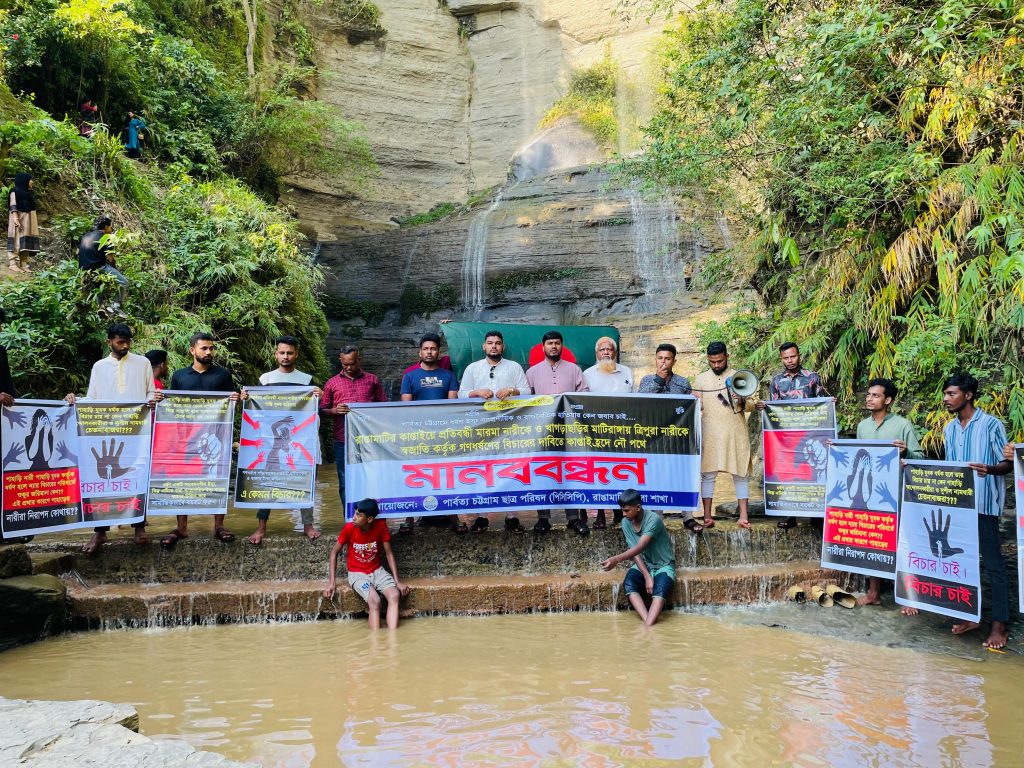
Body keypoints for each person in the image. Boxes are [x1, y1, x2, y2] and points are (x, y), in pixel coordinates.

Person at [65, 323, 158, 554]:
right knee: (101, 480)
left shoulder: (143, 363)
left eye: (127, 341)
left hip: (136, 430)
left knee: (137, 474)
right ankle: (100, 531)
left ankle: (138, 526)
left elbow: (149, 392)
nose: (124, 345)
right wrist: (74, 399)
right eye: (119, 342)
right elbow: (92, 398)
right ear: (109, 342)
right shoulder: (99, 366)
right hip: (103, 432)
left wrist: (152, 399)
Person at [940, 373, 1011, 650]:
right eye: (945, 394)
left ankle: (1000, 625)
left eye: (952, 393)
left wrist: (988, 469)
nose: (946, 399)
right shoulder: (949, 429)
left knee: (994, 565)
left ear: (968, 395)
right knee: (963, 564)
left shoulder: (991, 424)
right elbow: (948, 468)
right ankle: (972, 617)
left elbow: (1006, 464)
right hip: (958, 507)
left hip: (984, 506)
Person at [161, 332, 240, 548]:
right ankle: (182, 527)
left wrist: (235, 399)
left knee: (218, 477)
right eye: (204, 348)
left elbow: (231, 406)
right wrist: (161, 400)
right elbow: (173, 405)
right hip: (186, 437)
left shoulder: (223, 375)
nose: (208, 352)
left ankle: (218, 525)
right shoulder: (179, 376)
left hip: (215, 436)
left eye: (211, 348)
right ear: (192, 350)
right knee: (182, 479)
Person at [854, 378, 924, 607]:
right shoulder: (862, 426)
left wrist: (906, 453)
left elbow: (920, 457)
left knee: (901, 543)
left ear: (888, 400)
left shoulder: (902, 425)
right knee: (872, 541)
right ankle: (874, 592)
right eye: (869, 394)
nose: (869, 398)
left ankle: (908, 597)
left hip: (894, 493)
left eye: (875, 395)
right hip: (869, 492)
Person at [247, 336, 324, 544]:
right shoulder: (265, 379)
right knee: (268, 483)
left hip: (299, 442)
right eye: (282, 353)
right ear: (276, 354)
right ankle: (261, 526)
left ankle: (308, 525)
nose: (286, 357)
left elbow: (314, 410)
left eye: (290, 353)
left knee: (303, 481)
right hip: (273, 442)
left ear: (296, 354)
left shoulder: (307, 380)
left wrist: (319, 395)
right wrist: (247, 398)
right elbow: (258, 412)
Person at [458, 329, 530, 533]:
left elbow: (527, 392)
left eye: (498, 343)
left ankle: (512, 516)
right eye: (490, 343)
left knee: (510, 469)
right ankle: (482, 516)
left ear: (503, 346)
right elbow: (461, 395)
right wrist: (477, 392)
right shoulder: (473, 368)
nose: (494, 346)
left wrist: (512, 390)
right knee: (483, 469)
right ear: (484, 346)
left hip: (510, 427)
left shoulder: (514, 367)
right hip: (482, 428)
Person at [759, 342, 831, 531]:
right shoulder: (776, 381)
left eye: (793, 356)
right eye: (786, 358)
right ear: (781, 359)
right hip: (786, 437)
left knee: (812, 470)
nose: (790, 361)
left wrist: (829, 404)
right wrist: (764, 408)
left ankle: (816, 515)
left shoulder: (812, 377)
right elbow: (773, 409)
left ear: (799, 355)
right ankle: (789, 514)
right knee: (789, 473)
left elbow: (821, 404)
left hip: (810, 434)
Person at [526, 330, 589, 535]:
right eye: (550, 343)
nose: (554, 346)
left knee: (570, 470)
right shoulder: (532, 372)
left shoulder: (574, 370)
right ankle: (543, 518)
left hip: (569, 429)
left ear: (562, 346)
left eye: (557, 343)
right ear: (543, 346)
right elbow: (526, 402)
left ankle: (574, 518)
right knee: (543, 470)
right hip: (542, 430)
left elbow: (584, 396)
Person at [399, 333, 459, 534]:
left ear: (438, 352)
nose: (429, 352)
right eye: (426, 349)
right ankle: (409, 518)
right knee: (414, 475)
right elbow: (405, 407)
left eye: (433, 349)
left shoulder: (448, 376)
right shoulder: (410, 376)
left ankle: (454, 517)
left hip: (443, 435)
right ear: (420, 352)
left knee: (447, 474)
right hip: (417, 435)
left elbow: (452, 405)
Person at [692, 342, 754, 530]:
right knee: (708, 475)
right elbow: (696, 408)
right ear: (708, 360)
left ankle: (743, 516)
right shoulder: (701, 379)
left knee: (740, 473)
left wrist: (742, 399)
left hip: (735, 432)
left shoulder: (739, 376)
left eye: (720, 361)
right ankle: (708, 516)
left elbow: (752, 406)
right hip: (709, 432)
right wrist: (693, 400)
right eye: (712, 362)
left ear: (727, 356)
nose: (717, 365)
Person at [323, 497, 409, 630]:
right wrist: (331, 583)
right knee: (375, 601)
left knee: (394, 595)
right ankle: (375, 645)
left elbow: (389, 553)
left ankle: (393, 641)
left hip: (377, 570)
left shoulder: (380, 526)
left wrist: (397, 581)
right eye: (355, 513)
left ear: (369, 519)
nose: (354, 518)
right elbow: (334, 553)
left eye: (358, 515)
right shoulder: (349, 528)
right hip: (357, 574)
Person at [320, 345, 387, 510]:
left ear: (359, 360)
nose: (349, 368)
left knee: (373, 479)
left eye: (352, 364)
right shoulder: (331, 383)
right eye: (345, 364)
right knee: (345, 481)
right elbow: (321, 410)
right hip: (343, 440)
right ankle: (350, 519)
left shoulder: (373, 380)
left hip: (369, 440)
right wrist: (335, 411)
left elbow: (385, 406)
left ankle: (372, 518)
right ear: (340, 361)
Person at [600, 489, 675, 627]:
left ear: (638, 507)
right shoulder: (625, 522)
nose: (624, 514)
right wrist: (647, 576)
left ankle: (647, 626)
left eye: (627, 510)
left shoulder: (653, 519)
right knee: (629, 583)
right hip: (643, 563)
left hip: (663, 564)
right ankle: (648, 624)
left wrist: (616, 559)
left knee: (661, 589)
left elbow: (640, 546)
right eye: (622, 510)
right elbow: (635, 553)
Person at [582, 336, 634, 529]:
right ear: (596, 354)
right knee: (599, 472)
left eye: (609, 349)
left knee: (621, 471)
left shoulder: (627, 371)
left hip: (622, 432)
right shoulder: (588, 374)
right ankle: (601, 514)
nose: (606, 352)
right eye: (602, 349)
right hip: (596, 432)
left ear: (615, 352)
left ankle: (621, 512)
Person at [78, 216, 129, 317]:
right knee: (124, 282)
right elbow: (111, 259)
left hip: (84, 270)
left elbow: (78, 252)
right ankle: (115, 306)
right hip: (98, 267)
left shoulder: (85, 236)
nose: (111, 230)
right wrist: (115, 271)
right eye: (110, 227)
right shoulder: (105, 237)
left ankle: (101, 308)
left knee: (99, 287)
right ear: (106, 227)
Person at [6, 172, 39, 273]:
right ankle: (12, 264)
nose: (32, 182)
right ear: (24, 180)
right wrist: (16, 219)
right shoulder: (14, 191)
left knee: (25, 241)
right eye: (30, 180)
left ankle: (23, 264)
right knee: (16, 239)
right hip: (18, 219)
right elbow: (13, 205)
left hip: (28, 219)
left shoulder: (28, 193)